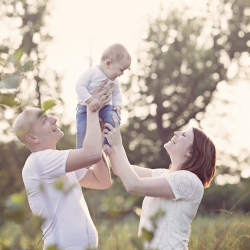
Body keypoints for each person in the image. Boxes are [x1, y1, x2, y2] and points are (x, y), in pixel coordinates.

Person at [13, 81, 113, 250]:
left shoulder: (59, 161)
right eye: (45, 120)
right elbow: (91, 154)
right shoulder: (38, 162)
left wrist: (97, 134)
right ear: (33, 138)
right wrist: (92, 109)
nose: (54, 119)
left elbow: (102, 181)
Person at [105, 115, 216, 250]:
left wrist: (117, 144)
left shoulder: (189, 180)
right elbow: (119, 169)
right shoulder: (162, 174)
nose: (176, 133)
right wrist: (106, 135)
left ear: (191, 153)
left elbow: (134, 185)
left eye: (184, 135)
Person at [75, 43, 131, 155]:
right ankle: (80, 155)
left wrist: (117, 105)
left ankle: (106, 143)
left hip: (105, 107)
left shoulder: (114, 80)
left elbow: (116, 94)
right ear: (108, 63)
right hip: (85, 108)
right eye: (121, 69)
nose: (122, 74)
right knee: (82, 132)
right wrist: (90, 100)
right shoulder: (92, 72)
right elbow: (79, 86)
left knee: (114, 119)